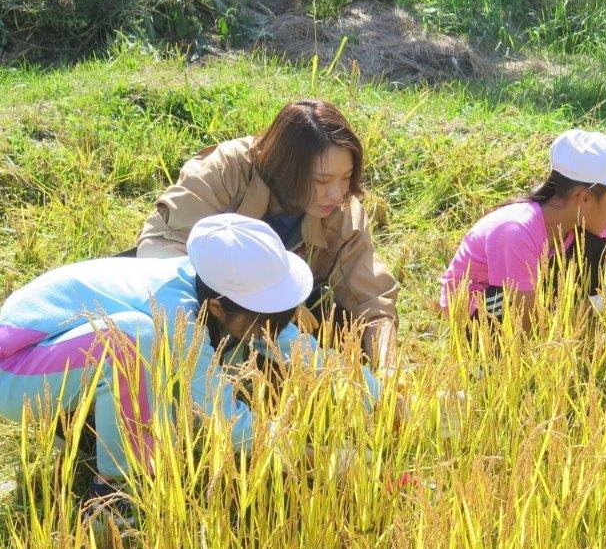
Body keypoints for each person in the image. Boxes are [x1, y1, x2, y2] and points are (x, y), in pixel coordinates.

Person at [0, 214, 381, 522]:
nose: (271, 333)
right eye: (266, 322)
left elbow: (301, 348)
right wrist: (321, 456)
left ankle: (86, 433)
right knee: (136, 339)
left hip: (61, 357)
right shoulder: (176, 313)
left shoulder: (222, 290)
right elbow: (225, 422)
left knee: (168, 358)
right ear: (218, 307)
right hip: (15, 370)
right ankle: (115, 493)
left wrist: (379, 400)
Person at [135, 100, 398, 368]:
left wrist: (388, 373)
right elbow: (162, 251)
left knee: (341, 326)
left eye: (346, 177)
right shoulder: (227, 171)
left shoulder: (340, 209)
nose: (337, 193)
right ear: (287, 168)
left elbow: (374, 301)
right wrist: (264, 298)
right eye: (321, 180)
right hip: (208, 305)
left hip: (275, 323)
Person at [439, 129, 606, 329]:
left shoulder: (587, 223)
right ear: (585, 198)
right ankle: (489, 367)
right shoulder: (515, 231)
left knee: (593, 246)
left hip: (530, 301)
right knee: (521, 311)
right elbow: (524, 322)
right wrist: (599, 307)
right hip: (478, 312)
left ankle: (574, 339)